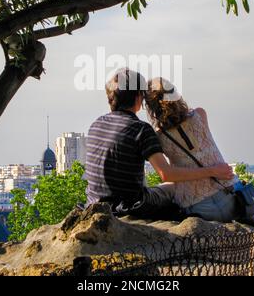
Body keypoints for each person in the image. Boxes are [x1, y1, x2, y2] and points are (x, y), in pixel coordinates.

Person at [85, 68, 234, 221]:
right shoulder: (140, 129)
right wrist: (212, 171)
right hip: (129, 207)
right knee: (171, 188)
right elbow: (166, 174)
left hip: (93, 205)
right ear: (138, 98)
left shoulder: (96, 124)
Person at [145, 77, 254, 227]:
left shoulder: (160, 137)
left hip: (199, 209)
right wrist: (213, 171)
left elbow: (172, 175)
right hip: (232, 200)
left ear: (151, 107)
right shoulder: (200, 115)